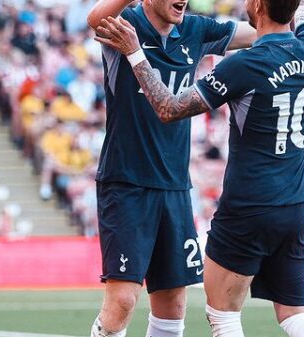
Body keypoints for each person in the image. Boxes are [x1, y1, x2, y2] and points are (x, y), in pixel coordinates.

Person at [94, 0, 304, 336]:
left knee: (220, 315)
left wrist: (135, 53)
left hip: (246, 205)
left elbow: (168, 107)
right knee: (295, 317)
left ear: (259, 5)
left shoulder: (244, 63)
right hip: (294, 203)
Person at [86, 1, 257, 337]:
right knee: (122, 302)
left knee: (172, 304)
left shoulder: (196, 30)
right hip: (126, 183)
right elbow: (96, 19)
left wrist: (295, 12)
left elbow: (261, 32)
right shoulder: (126, 25)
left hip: (176, 186)